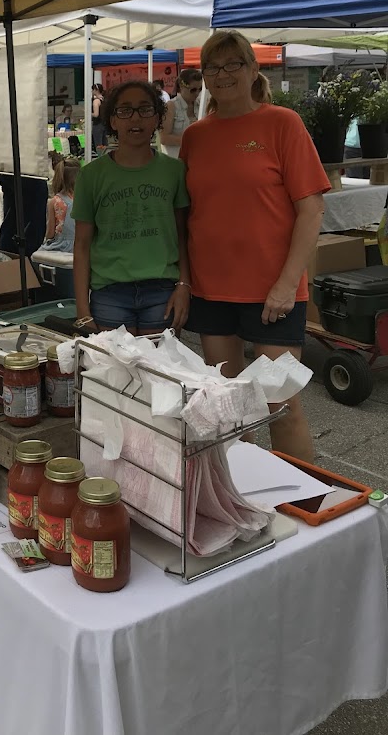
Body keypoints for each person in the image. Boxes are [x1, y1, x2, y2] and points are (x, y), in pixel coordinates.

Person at [180, 30, 330, 461]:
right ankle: (242, 494)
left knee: (280, 406)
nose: (222, 74)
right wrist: (186, 281)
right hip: (213, 290)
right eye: (212, 67)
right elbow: (189, 215)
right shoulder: (196, 136)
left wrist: (286, 285)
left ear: (252, 69)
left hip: (273, 293)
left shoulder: (282, 123)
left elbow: (312, 210)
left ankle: (303, 506)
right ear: (203, 75)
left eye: (233, 64)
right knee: (228, 405)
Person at [72, 81, 191, 336]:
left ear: (158, 117)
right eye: (124, 110)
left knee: (160, 372)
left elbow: (182, 234)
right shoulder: (91, 175)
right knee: (114, 374)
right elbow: (81, 244)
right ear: (112, 120)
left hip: (162, 291)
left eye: (145, 109)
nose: (135, 118)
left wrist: (184, 285)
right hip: (110, 292)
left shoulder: (174, 171)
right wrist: (82, 308)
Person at [160, 68, 203, 158]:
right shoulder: (171, 106)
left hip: (196, 159)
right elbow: (164, 138)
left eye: (200, 89)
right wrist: (189, 140)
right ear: (182, 86)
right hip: (175, 160)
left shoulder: (201, 105)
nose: (197, 93)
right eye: (193, 90)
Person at [41, 157, 79, 253]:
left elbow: (50, 233)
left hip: (61, 247)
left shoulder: (54, 202)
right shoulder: (85, 199)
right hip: (82, 246)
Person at [91, 83, 107, 153]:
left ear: (96, 90)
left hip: (97, 124)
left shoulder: (96, 101)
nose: (92, 91)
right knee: (104, 144)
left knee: (98, 145)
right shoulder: (104, 99)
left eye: (93, 90)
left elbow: (96, 114)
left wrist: (88, 113)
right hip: (104, 124)